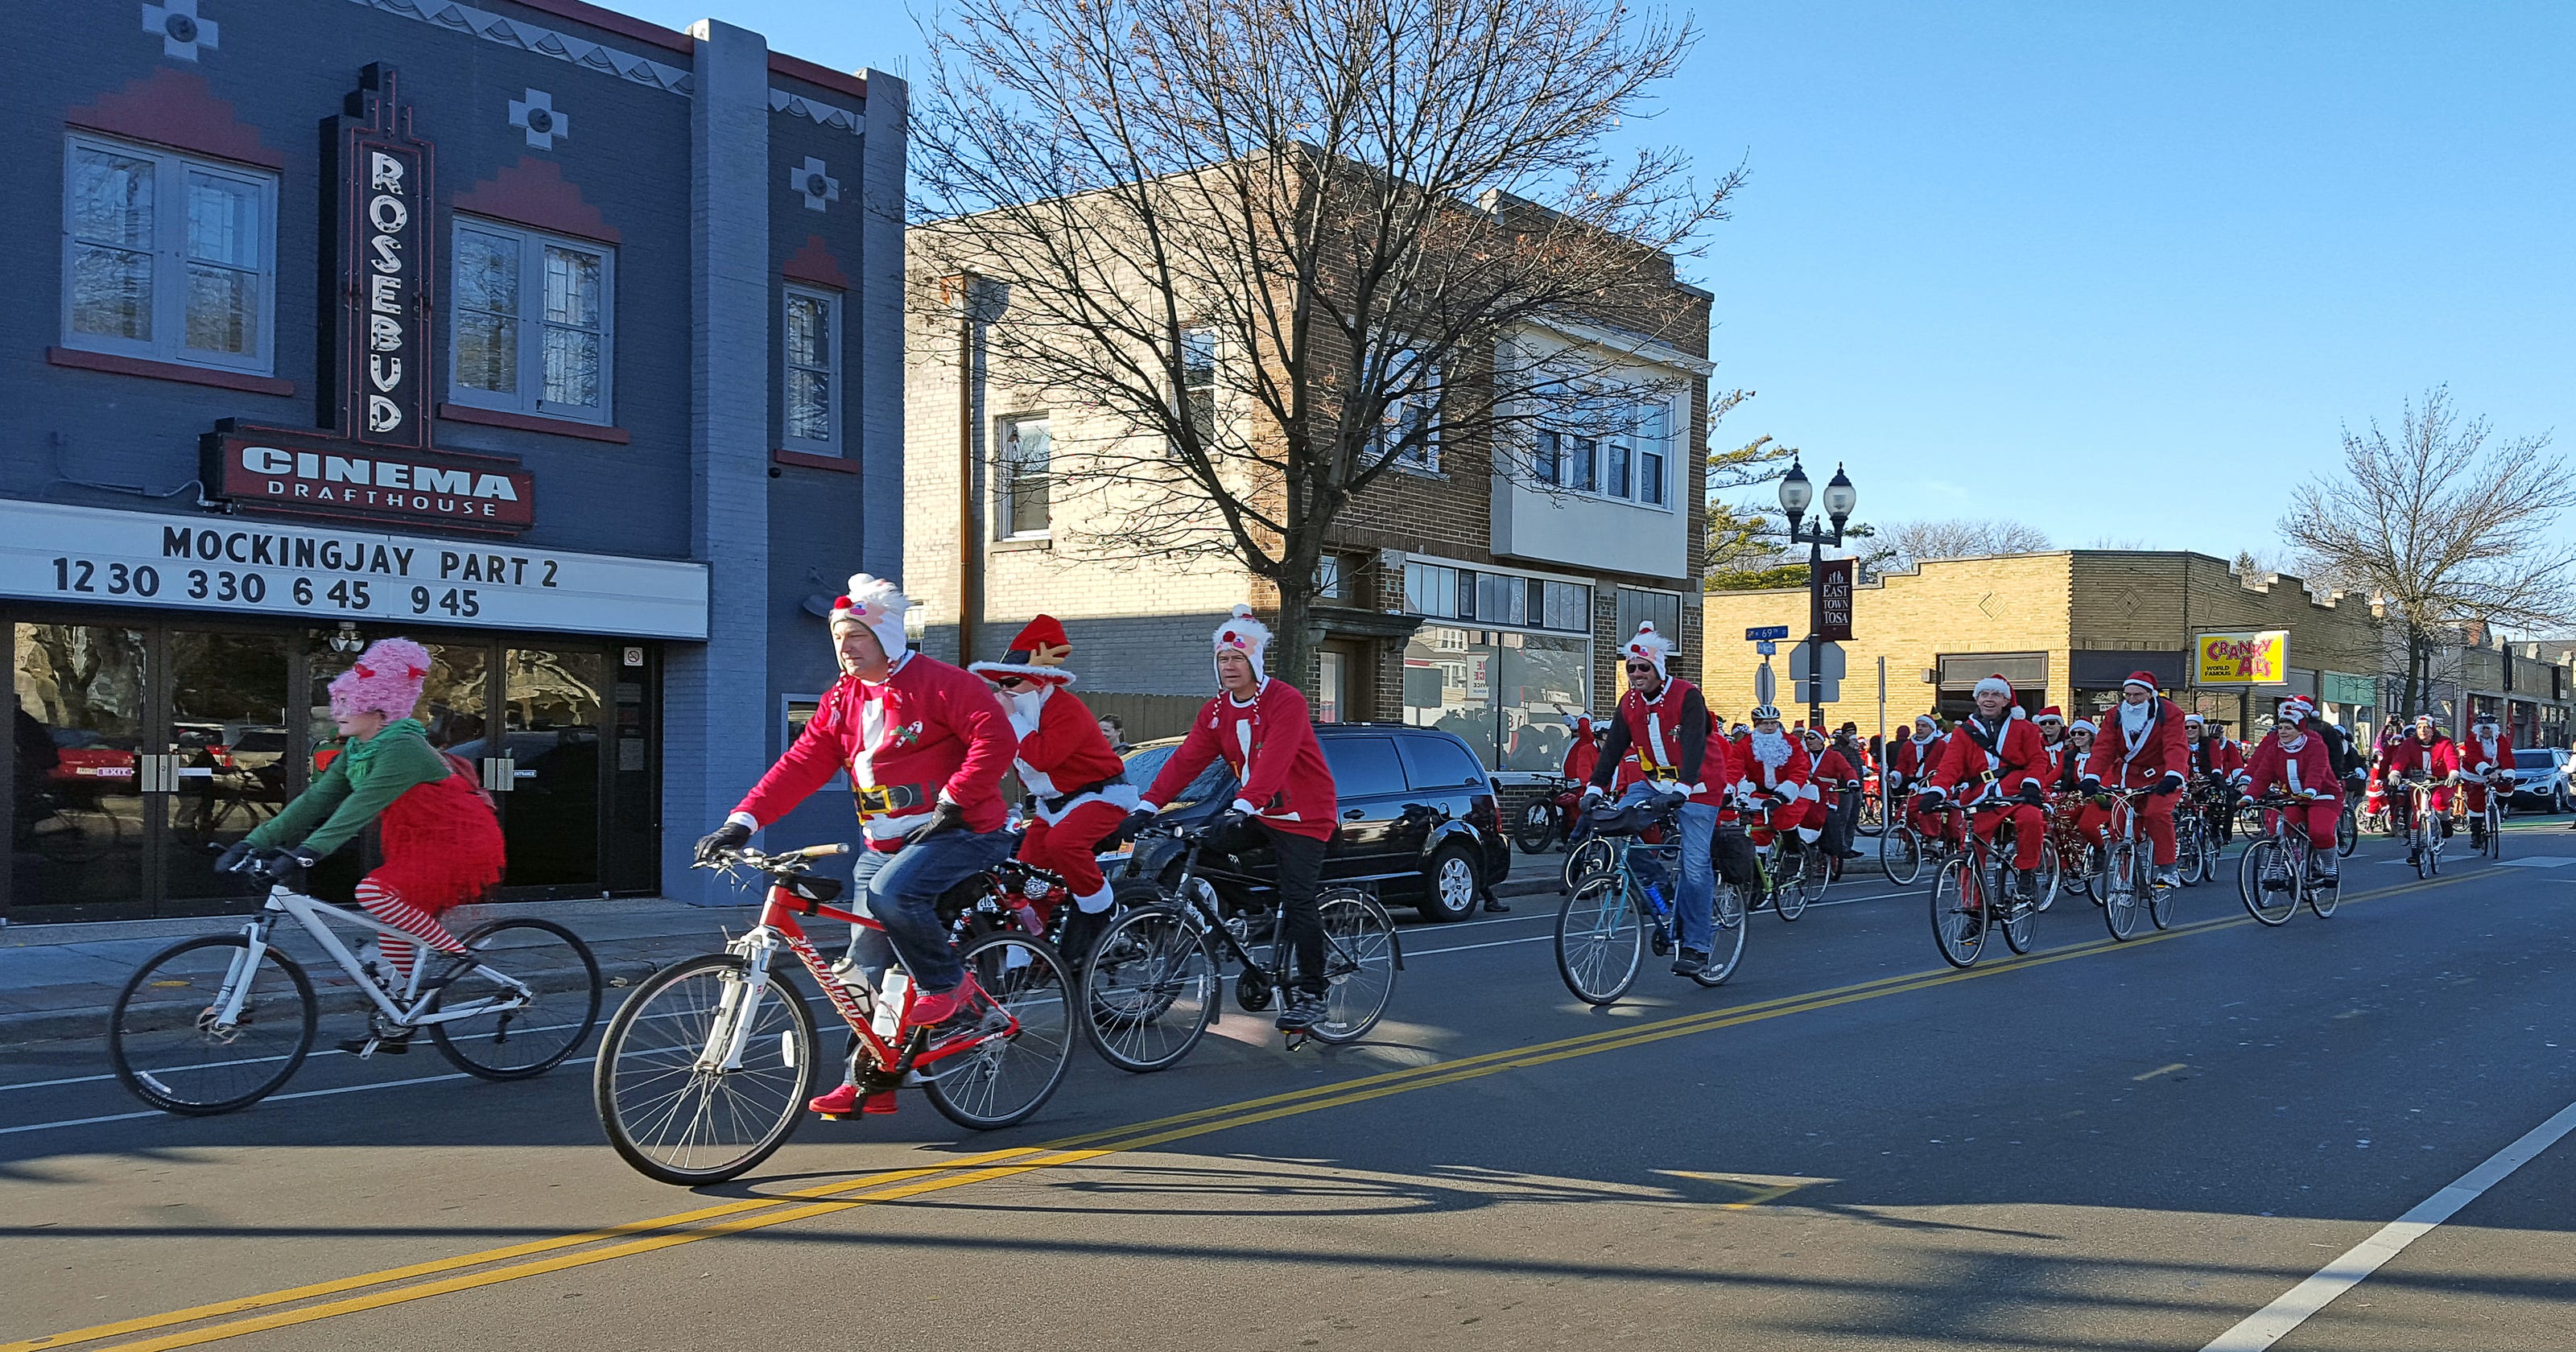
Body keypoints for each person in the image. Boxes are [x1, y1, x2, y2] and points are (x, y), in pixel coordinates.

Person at [699, 575, 1020, 1118]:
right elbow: (800, 765)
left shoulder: (942, 684)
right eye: (840, 638)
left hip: (962, 832)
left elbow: (996, 737)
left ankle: (951, 986)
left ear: (887, 637)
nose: (846, 647)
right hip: (885, 839)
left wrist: (953, 802)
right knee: (865, 967)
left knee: (894, 894)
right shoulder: (843, 698)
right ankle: (872, 1080)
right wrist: (743, 821)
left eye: (857, 637)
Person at [224, 638, 504, 1053]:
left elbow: (359, 805)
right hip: (418, 842)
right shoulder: (358, 746)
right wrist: (249, 842)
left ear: (378, 709)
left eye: (345, 703)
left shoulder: (404, 747)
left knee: (372, 892)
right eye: (336, 701)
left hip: (459, 842)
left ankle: (455, 953)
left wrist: (308, 852)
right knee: (391, 923)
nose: (335, 711)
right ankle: (399, 1022)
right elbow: (316, 800)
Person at [1132, 605, 1341, 1029]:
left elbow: (1275, 761)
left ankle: (1314, 993)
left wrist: (1244, 804)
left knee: (1299, 899)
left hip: (1304, 815)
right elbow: (1185, 762)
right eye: (1222, 659)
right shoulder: (1215, 711)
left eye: (1237, 659)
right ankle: (1253, 910)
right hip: (1259, 811)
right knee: (1192, 847)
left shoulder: (1285, 701)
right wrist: (1147, 805)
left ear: (1255, 661)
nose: (1229, 666)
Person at [970, 615, 1135, 962]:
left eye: (1012, 682)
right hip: (1053, 805)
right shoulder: (1020, 716)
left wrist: (1011, 720)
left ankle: (1107, 914)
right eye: (999, 685)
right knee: (1026, 877)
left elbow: (1044, 757)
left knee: (1065, 844)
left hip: (1101, 796)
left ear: (1038, 680)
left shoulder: (1064, 708)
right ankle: (1026, 960)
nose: (1004, 692)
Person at [1583, 622, 1734, 976]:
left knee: (1695, 867)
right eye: (1631, 668)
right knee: (1615, 827)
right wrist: (1594, 787)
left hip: (1698, 788)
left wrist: (1684, 787)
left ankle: (1697, 946)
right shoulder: (1629, 702)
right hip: (1653, 784)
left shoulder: (1686, 695)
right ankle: (1664, 893)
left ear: (1659, 669)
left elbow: (1696, 742)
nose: (1636, 674)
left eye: (1643, 668)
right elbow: (1614, 748)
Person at [1921, 674, 2050, 917]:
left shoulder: (2024, 728)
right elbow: (1950, 766)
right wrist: (1936, 791)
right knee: (1969, 848)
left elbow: (2037, 759)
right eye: (1984, 695)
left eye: (1995, 695)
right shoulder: (1964, 732)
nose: (1989, 700)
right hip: (1980, 797)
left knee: (2032, 819)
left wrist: (2032, 785)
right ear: (1977, 699)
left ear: (2006, 700)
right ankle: (1974, 910)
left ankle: (2026, 873)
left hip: (2016, 793)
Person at [2079, 670, 2190, 888]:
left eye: (2137, 695)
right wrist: (2091, 777)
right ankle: (2124, 873)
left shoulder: (2169, 713)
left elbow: (2175, 745)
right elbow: (2103, 748)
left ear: (2150, 694)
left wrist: (2173, 775)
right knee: (2119, 827)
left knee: (2156, 814)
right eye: (2127, 695)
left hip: (2162, 775)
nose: (2131, 700)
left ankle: (2168, 869)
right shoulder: (2115, 715)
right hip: (2127, 776)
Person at [2244, 695, 2343, 885]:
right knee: (2278, 831)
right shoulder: (2275, 747)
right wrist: (2248, 795)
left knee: (2319, 832)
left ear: (2300, 730)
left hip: (2323, 795)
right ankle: (2275, 870)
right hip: (2293, 797)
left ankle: (2330, 865)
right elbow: (2262, 774)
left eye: (2288, 728)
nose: (2282, 732)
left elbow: (2317, 771)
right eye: (2280, 727)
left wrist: (2312, 791)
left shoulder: (2315, 744)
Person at [2382, 714, 2458, 864]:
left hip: (2440, 781)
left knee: (2440, 802)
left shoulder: (2444, 743)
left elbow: (2451, 759)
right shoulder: (2409, 743)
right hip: (2418, 783)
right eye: (2419, 728)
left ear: (2433, 730)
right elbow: (2400, 759)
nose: (2423, 731)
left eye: (2426, 728)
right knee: (2417, 816)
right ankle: (2415, 852)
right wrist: (2395, 773)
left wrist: (2454, 773)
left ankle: (2444, 822)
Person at [1802, 727, 1861, 876]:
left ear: (1821, 740)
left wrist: (1852, 781)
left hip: (1828, 795)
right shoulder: (1802, 756)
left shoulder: (1833, 756)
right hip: (1807, 795)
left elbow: (1847, 770)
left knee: (1830, 822)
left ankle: (1831, 852)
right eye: (1806, 738)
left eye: (1811, 738)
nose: (1808, 741)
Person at [2456, 711, 2513, 847]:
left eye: (2488, 728)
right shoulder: (2471, 740)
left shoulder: (2501, 740)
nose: (2485, 731)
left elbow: (2507, 756)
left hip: (2496, 771)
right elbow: (2473, 757)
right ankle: (2476, 835)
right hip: (2474, 773)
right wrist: (2486, 770)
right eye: (2482, 729)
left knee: (2507, 786)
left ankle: (2499, 808)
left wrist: (2508, 773)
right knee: (2476, 801)